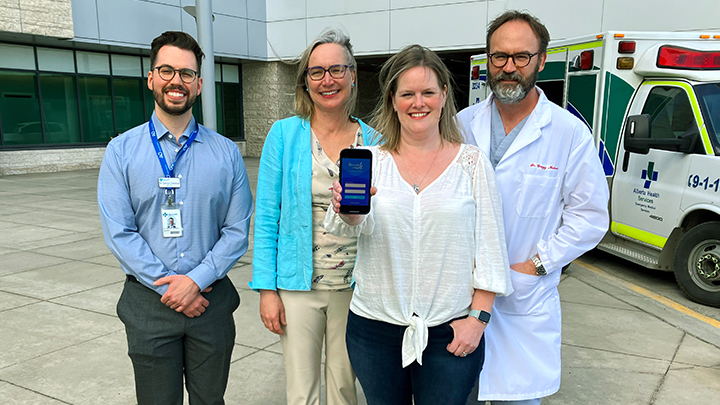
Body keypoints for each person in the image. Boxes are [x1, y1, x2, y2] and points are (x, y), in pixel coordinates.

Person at [325, 44, 513, 405]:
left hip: (450, 329)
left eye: (428, 92)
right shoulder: (370, 162)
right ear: (392, 100)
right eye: (407, 93)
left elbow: (490, 248)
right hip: (374, 328)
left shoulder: (471, 164)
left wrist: (478, 319)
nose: (418, 103)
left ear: (444, 95)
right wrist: (350, 213)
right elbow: (345, 227)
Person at [457, 11, 610, 404]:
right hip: (459, 299)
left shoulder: (568, 133)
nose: (509, 68)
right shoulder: (461, 124)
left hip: (523, 297)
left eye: (521, 57)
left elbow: (590, 216)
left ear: (541, 60)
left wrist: (539, 263)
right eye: (499, 57)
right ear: (488, 59)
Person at [98, 31, 254, 405]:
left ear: (198, 84)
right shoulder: (120, 152)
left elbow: (237, 231)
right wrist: (171, 287)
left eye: (186, 74)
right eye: (166, 71)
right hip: (148, 306)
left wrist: (196, 281)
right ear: (151, 78)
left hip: (211, 302)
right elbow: (120, 232)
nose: (176, 81)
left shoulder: (226, 153)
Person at [249, 28, 376, 405]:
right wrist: (267, 290)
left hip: (356, 288)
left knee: (343, 387)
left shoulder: (375, 141)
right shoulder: (284, 135)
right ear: (305, 81)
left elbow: (381, 219)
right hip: (297, 285)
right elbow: (268, 215)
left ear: (352, 75)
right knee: (301, 391)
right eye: (316, 72)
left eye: (337, 69)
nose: (327, 80)